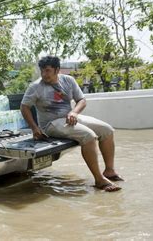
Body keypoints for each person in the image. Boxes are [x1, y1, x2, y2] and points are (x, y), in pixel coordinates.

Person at [20, 56, 123, 192]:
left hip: (71, 118)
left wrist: (74, 112)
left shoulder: (68, 80)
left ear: (57, 70)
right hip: (51, 124)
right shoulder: (35, 87)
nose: (44, 74)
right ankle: (99, 180)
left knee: (107, 130)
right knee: (89, 136)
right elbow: (24, 107)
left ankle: (109, 171)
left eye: (48, 71)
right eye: (42, 71)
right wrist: (34, 128)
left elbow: (81, 100)